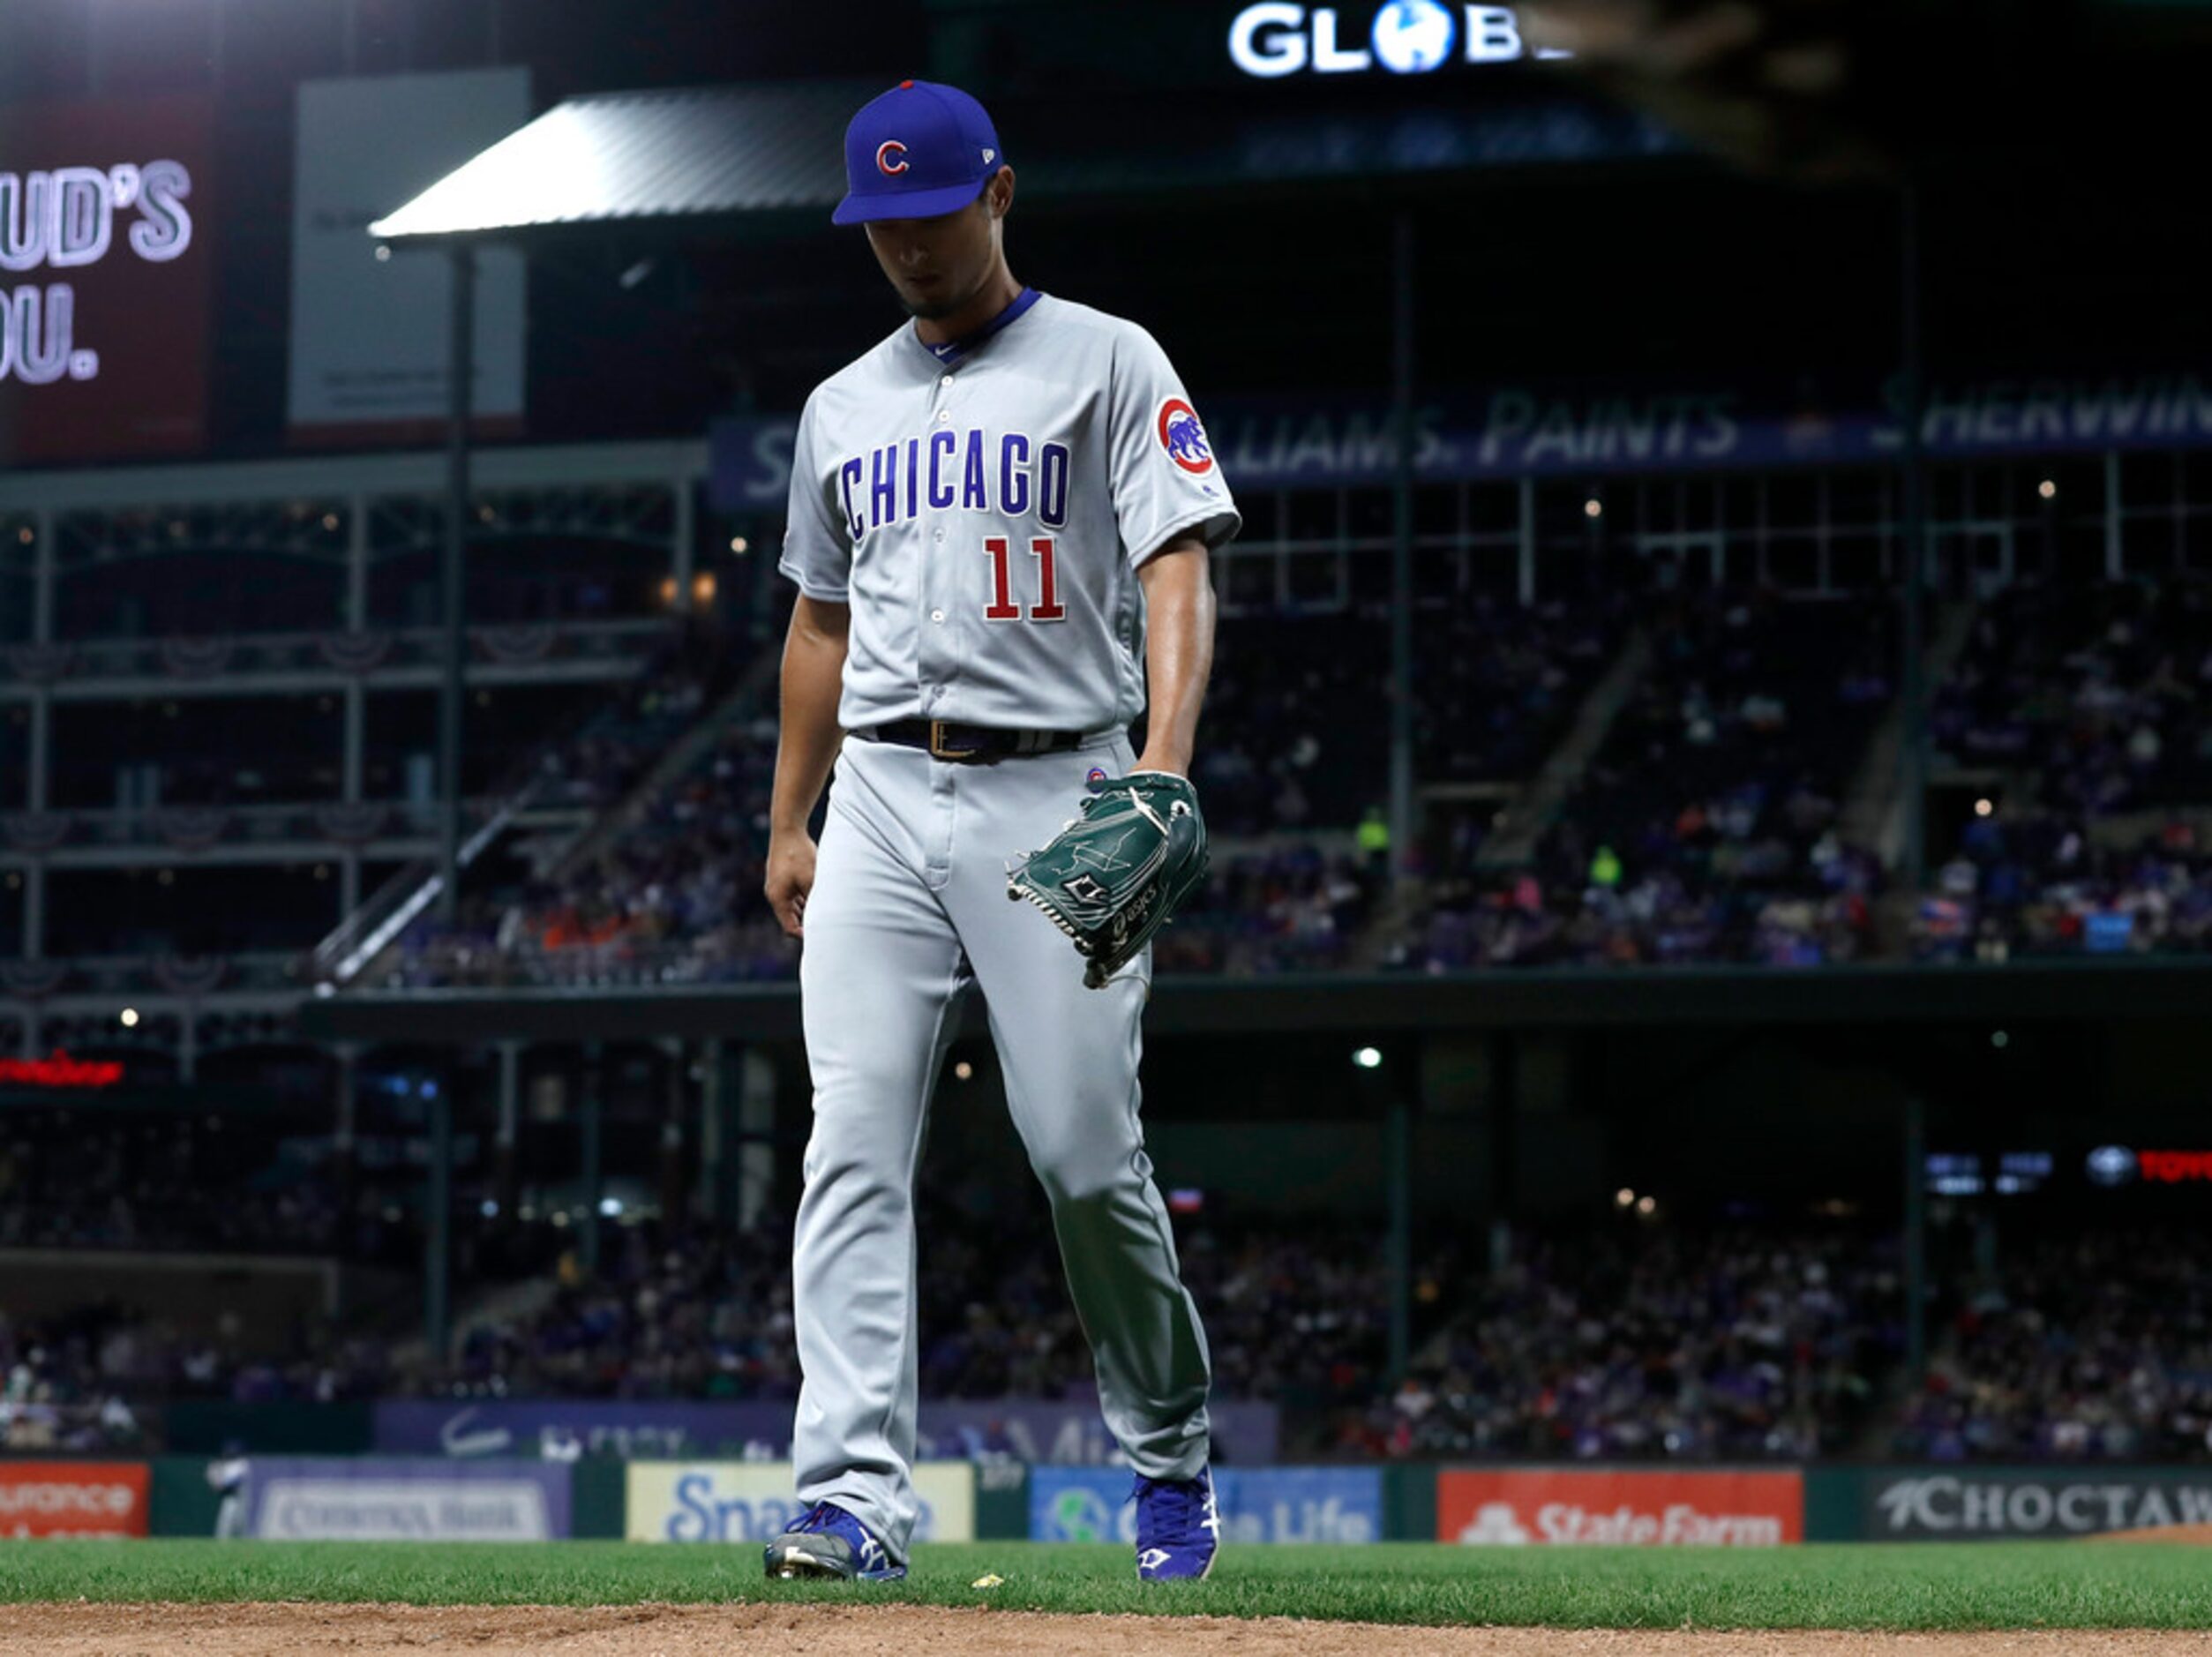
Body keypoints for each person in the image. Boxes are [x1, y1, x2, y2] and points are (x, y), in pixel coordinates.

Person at [761, 79, 1237, 1585]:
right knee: (849, 1140)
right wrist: (789, 816)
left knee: (1086, 1154)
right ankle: (848, 1497)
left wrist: (1162, 765)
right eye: (880, 221)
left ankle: (1169, 1463)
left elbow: (1174, 570)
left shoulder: (1108, 357)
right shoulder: (842, 403)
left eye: (930, 210)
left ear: (1000, 193)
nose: (904, 241)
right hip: (886, 800)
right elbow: (819, 622)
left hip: (1063, 788)